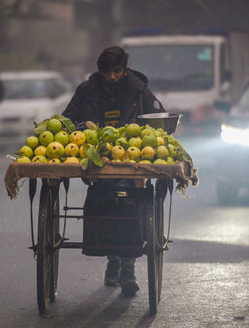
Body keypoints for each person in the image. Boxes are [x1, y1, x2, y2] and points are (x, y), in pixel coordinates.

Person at [62, 46, 166, 297]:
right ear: (101, 72)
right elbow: (66, 119)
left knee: (131, 205)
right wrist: (80, 128)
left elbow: (158, 117)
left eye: (117, 71)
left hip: (132, 159)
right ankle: (114, 260)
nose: (112, 77)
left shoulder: (138, 89)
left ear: (125, 69)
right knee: (106, 206)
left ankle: (128, 269)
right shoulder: (87, 91)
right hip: (97, 159)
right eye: (108, 72)